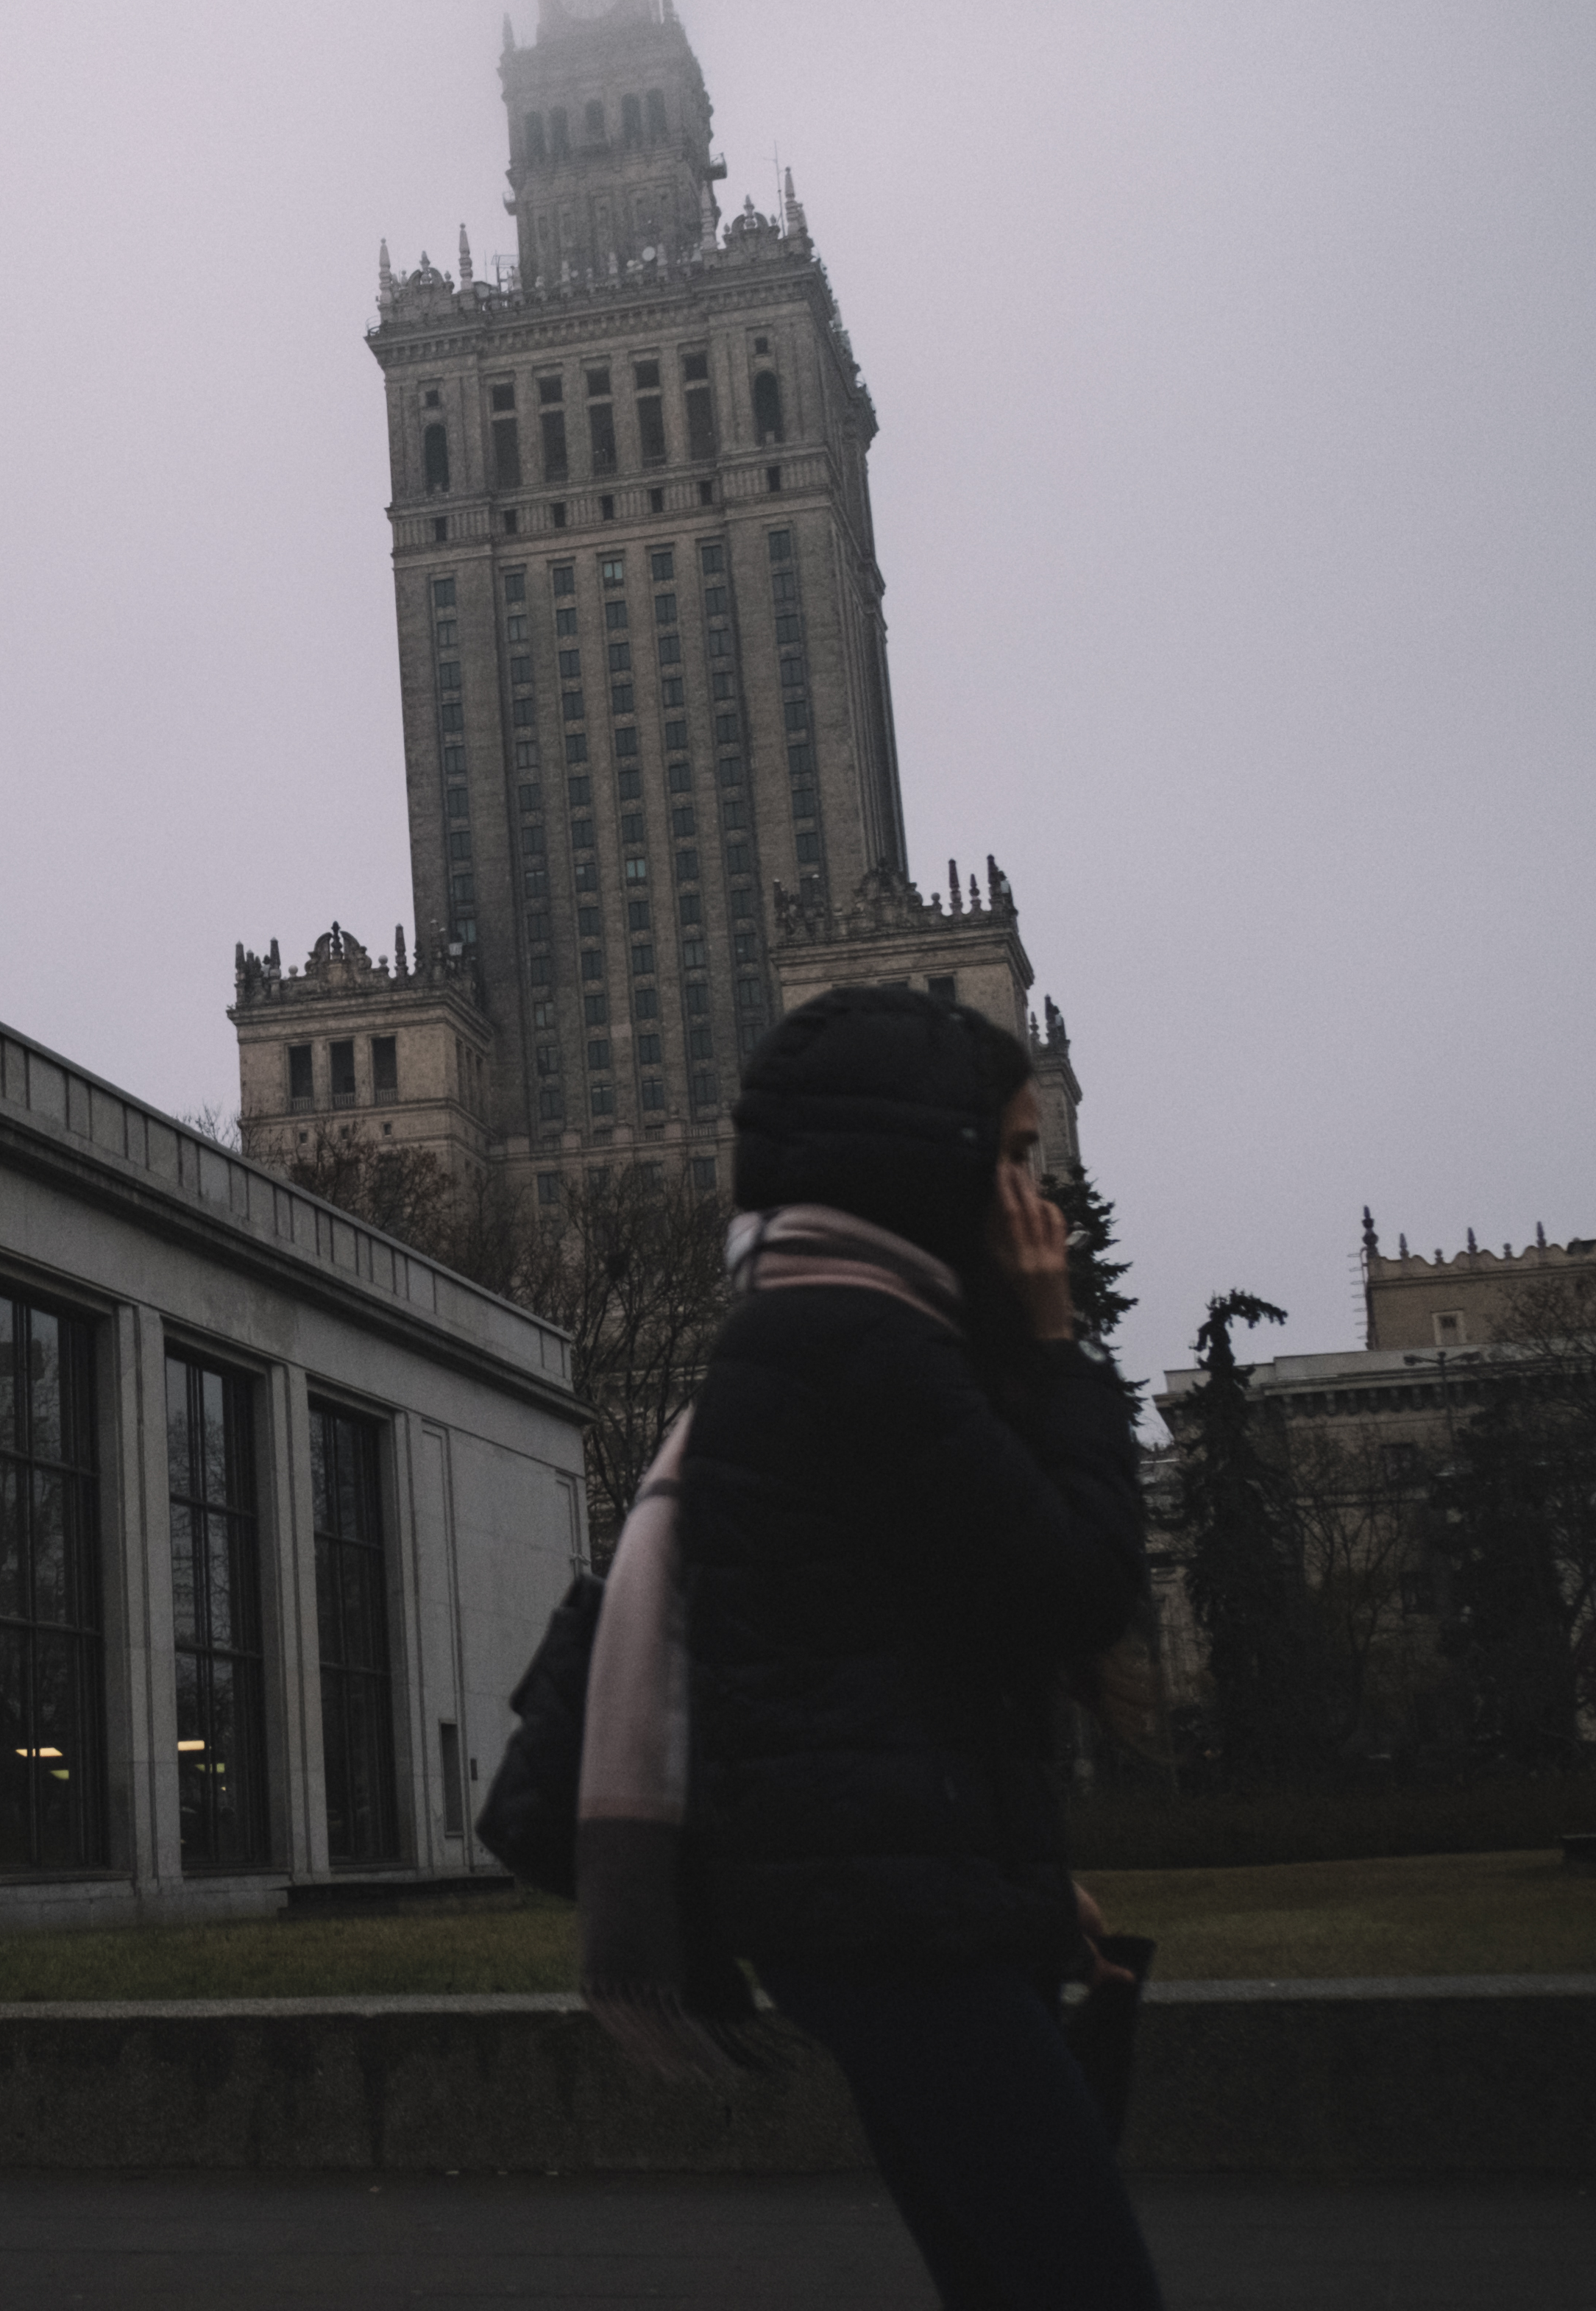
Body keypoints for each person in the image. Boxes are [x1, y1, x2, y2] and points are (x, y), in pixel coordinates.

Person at [685, 984, 1163, 2308]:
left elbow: (892, 1652)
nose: (1039, 1198)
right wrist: (1062, 1347)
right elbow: (1077, 1583)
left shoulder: (825, 1326)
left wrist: (1009, 1877)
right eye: (1012, 1157)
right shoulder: (861, 1341)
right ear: (925, 1156)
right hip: (893, 1924)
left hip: (888, 1902)